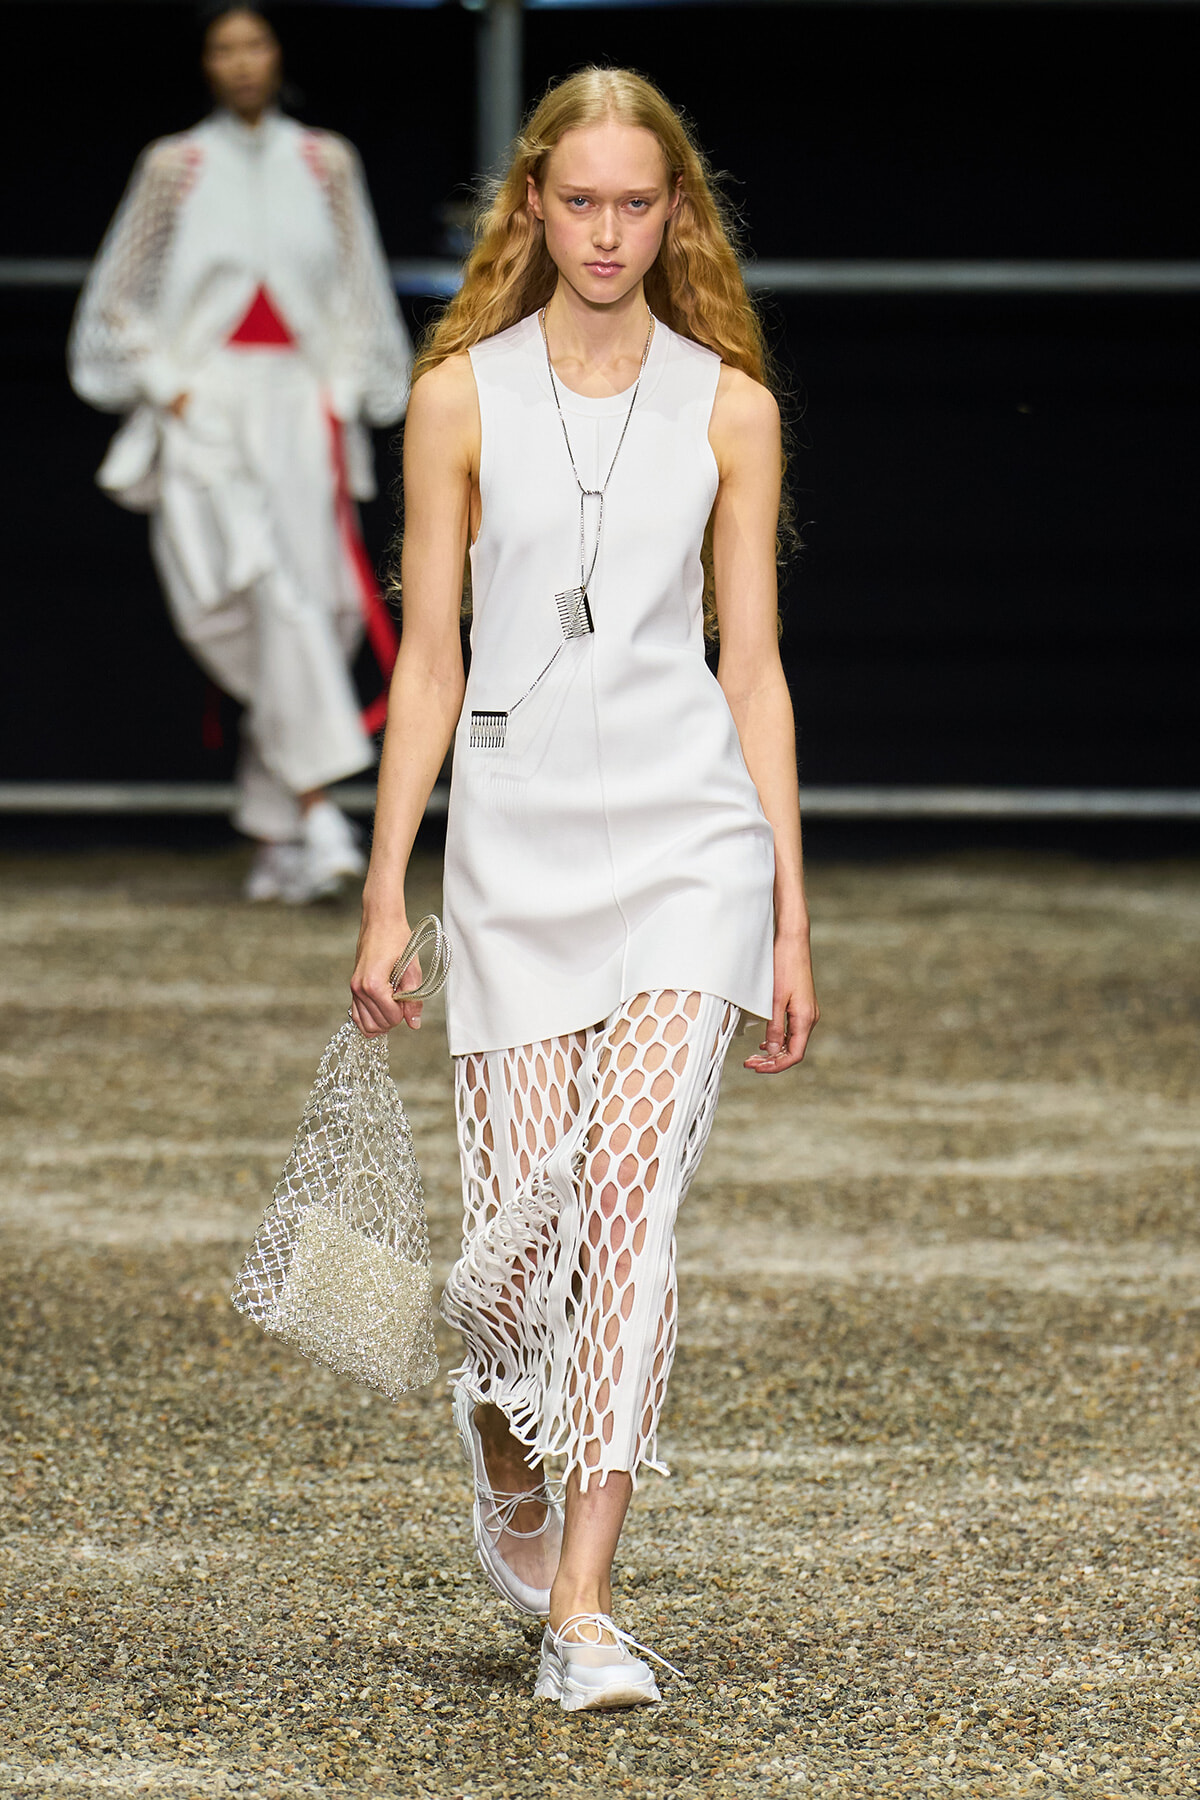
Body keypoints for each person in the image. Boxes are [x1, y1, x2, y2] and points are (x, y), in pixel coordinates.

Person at [350, 67, 819, 1711]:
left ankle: (584, 1613)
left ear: (674, 213)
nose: (609, 232)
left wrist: (787, 911)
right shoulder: (461, 397)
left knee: (628, 1209)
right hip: (516, 843)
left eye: (639, 204)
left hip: (691, 844)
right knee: (514, 1260)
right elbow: (428, 663)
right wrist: (384, 892)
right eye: (581, 202)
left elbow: (750, 667)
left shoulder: (730, 408)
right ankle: (497, 1417)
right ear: (534, 208)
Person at [69, 3, 413, 902]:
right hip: (208, 406)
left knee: (323, 607)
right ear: (206, 63)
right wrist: (169, 382)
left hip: (300, 409)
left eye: (255, 42)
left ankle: (278, 835)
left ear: (278, 53)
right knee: (245, 594)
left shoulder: (324, 160)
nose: (243, 60)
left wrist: (344, 391)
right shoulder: (175, 166)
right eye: (225, 46)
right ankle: (320, 810)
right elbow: (116, 299)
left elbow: (359, 287)